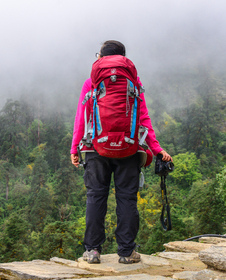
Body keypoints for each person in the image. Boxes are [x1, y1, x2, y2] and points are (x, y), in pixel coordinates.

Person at [70, 40, 172, 264]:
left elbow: (82, 116)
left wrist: (75, 146)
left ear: (100, 58)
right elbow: (143, 118)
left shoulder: (92, 82)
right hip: (129, 148)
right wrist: (156, 149)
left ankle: (93, 251)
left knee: (96, 197)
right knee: (127, 199)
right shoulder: (133, 83)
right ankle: (126, 252)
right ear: (124, 59)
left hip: (96, 148)